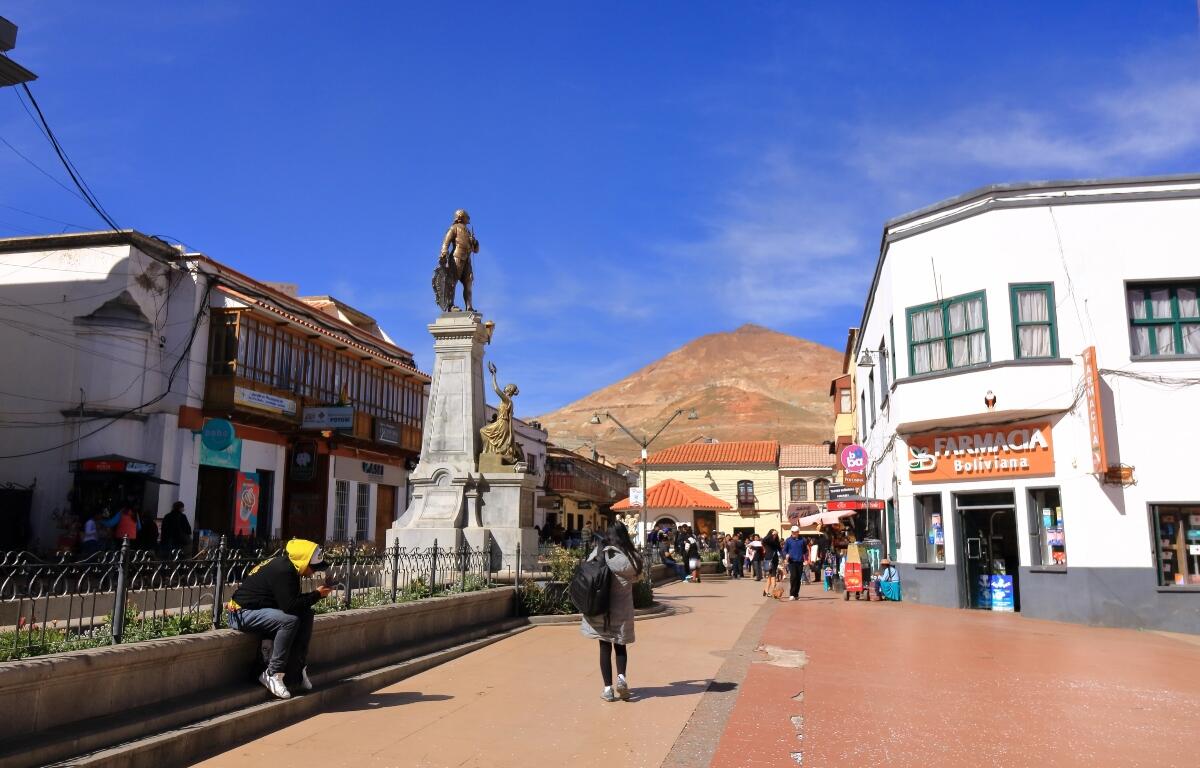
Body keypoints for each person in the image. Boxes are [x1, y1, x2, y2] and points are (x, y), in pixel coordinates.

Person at [227, 539, 334, 699]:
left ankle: (297, 670)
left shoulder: (290, 567)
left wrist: (316, 595)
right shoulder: (284, 571)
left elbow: (292, 603)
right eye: (313, 568)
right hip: (241, 613)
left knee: (306, 614)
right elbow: (290, 606)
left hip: (258, 610)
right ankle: (272, 673)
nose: (313, 572)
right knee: (289, 620)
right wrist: (317, 594)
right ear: (303, 561)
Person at [581, 521, 642, 702]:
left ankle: (608, 689)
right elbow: (639, 577)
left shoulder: (601, 552)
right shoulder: (631, 557)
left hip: (601, 607)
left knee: (604, 646)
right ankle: (621, 678)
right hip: (622, 609)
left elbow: (587, 568)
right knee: (620, 645)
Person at [782, 525, 807, 601]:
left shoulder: (802, 540)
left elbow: (805, 551)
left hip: (800, 561)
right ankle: (792, 594)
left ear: (798, 532)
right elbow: (784, 550)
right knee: (793, 577)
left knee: (798, 578)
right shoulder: (788, 540)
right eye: (793, 532)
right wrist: (786, 555)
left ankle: (796, 594)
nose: (794, 533)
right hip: (791, 561)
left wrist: (805, 559)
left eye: (795, 532)